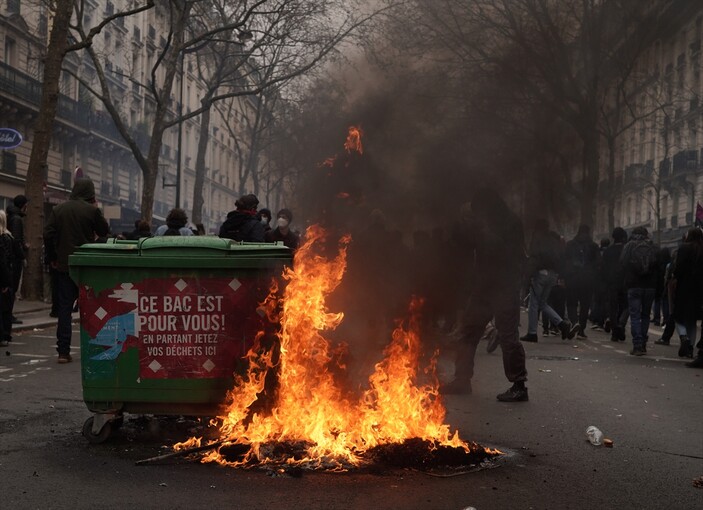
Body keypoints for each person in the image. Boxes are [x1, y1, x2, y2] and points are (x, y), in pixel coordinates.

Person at [442, 187, 529, 402]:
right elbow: (461, 241)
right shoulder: (487, 223)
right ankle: (462, 380)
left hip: (503, 287)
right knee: (468, 332)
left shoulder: (505, 224)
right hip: (485, 287)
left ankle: (519, 386)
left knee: (508, 336)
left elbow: (507, 253)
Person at [44, 178, 110, 363]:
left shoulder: (58, 210)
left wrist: (53, 257)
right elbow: (104, 231)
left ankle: (63, 351)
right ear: (90, 193)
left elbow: (47, 234)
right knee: (92, 308)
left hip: (65, 265)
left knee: (64, 309)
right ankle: (96, 348)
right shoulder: (91, 210)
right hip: (87, 265)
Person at [520, 218, 577, 343]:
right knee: (543, 303)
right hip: (553, 274)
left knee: (534, 304)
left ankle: (532, 333)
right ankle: (562, 324)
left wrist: (528, 276)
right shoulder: (553, 240)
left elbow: (534, 258)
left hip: (540, 273)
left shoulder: (537, 239)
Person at [619, 226, 658, 356]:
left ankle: (637, 345)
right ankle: (643, 344)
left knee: (635, 315)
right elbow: (657, 265)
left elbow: (622, 263)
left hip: (634, 285)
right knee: (646, 315)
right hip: (649, 286)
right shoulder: (652, 246)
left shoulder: (629, 246)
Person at [670, 228, 703, 362]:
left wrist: (674, 276)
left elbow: (679, 267)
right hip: (700, 289)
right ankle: (690, 347)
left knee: (678, 315)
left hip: (684, 286)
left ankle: (683, 337)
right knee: (693, 319)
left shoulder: (684, 248)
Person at [563, 224, 600, 339]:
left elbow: (564, 261)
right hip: (588, 279)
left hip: (573, 278)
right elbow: (598, 263)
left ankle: (574, 322)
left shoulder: (570, 245)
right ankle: (582, 330)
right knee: (585, 305)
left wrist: (564, 276)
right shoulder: (593, 246)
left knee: (571, 303)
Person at [602, 227, 629, 342]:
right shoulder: (626, 249)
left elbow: (603, 268)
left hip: (611, 282)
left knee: (613, 307)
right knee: (625, 306)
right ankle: (621, 324)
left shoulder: (608, 251)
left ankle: (614, 331)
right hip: (625, 282)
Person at [6, 194, 29, 324]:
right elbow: (16, 240)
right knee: (13, 287)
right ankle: (9, 314)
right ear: (23, 205)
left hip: (10, 257)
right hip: (14, 259)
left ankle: (8, 314)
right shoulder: (17, 220)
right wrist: (22, 256)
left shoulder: (10, 217)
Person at [0, 210, 14, 347]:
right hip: (4, 276)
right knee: (5, 308)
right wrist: (6, 282)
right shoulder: (7, 238)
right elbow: (5, 261)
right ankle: (4, 335)